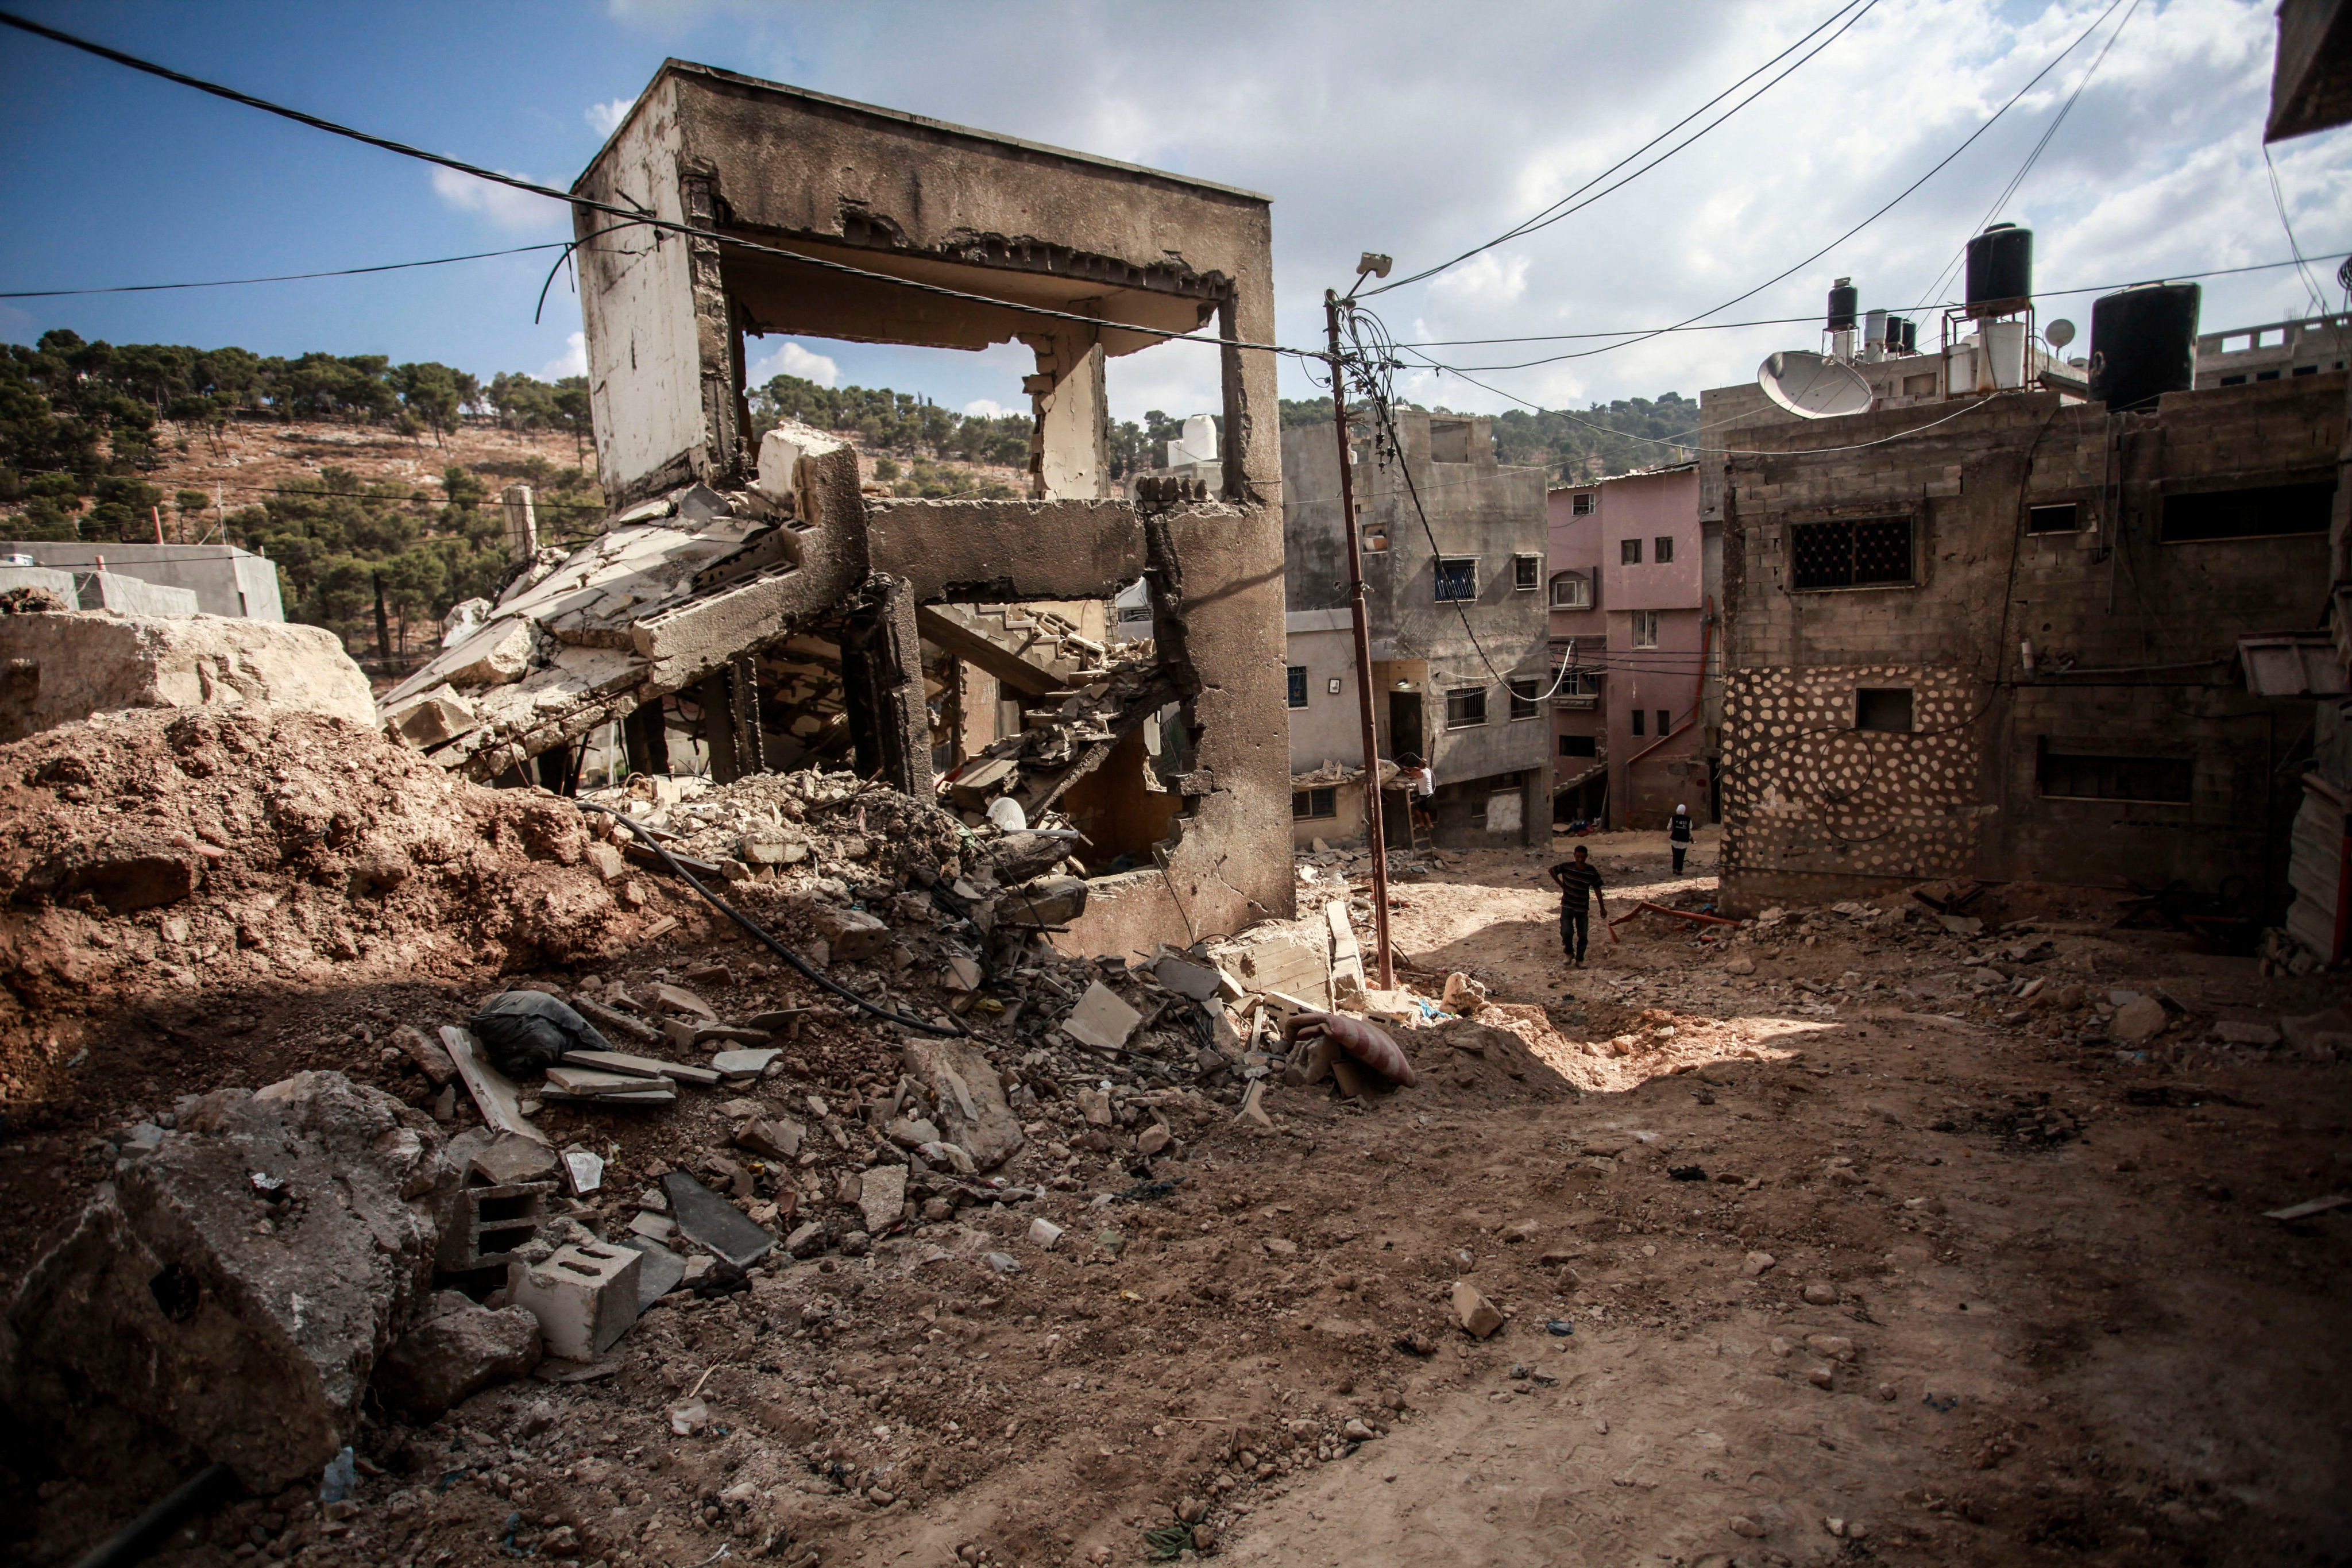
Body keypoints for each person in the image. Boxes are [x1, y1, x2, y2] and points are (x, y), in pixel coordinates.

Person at [1548, 844, 1606, 965]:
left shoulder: (1591, 871)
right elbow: (1552, 871)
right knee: (1566, 931)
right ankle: (1569, 952)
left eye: (1583, 857)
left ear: (1586, 857)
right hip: (1567, 905)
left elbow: (1597, 888)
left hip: (1582, 908)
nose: (1580, 859)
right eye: (1578, 857)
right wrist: (1561, 885)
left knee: (1583, 935)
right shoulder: (1567, 867)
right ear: (1574, 856)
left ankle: (1580, 959)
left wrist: (1602, 908)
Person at [1670, 802, 1694, 875]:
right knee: (1681, 855)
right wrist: (1692, 838)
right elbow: (1690, 830)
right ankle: (1679, 870)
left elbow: (1669, 828)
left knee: (1675, 854)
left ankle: (1674, 868)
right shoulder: (1688, 819)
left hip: (1674, 839)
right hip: (1684, 840)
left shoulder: (1673, 818)